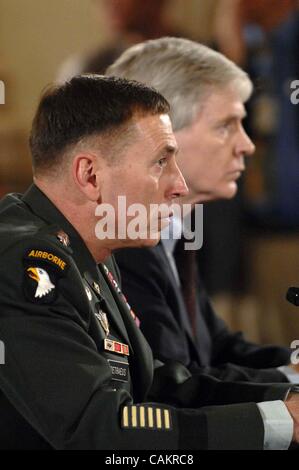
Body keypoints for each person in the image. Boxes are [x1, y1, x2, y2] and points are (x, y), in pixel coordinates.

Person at [0, 74, 298, 450]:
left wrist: (287, 398)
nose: (179, 185)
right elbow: (100, 431)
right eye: (160, 162)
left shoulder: (88, 250)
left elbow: (161, 386)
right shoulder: (26, 265)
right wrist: (280, 423)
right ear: (90, 176)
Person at [106, 37, 298, 384]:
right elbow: (175, 386)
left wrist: (292, 366)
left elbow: (218, 347)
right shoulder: (123, 242)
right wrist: (287, 381)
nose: (247, 145)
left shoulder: (176, 230)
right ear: (162, 134)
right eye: (226, 126)